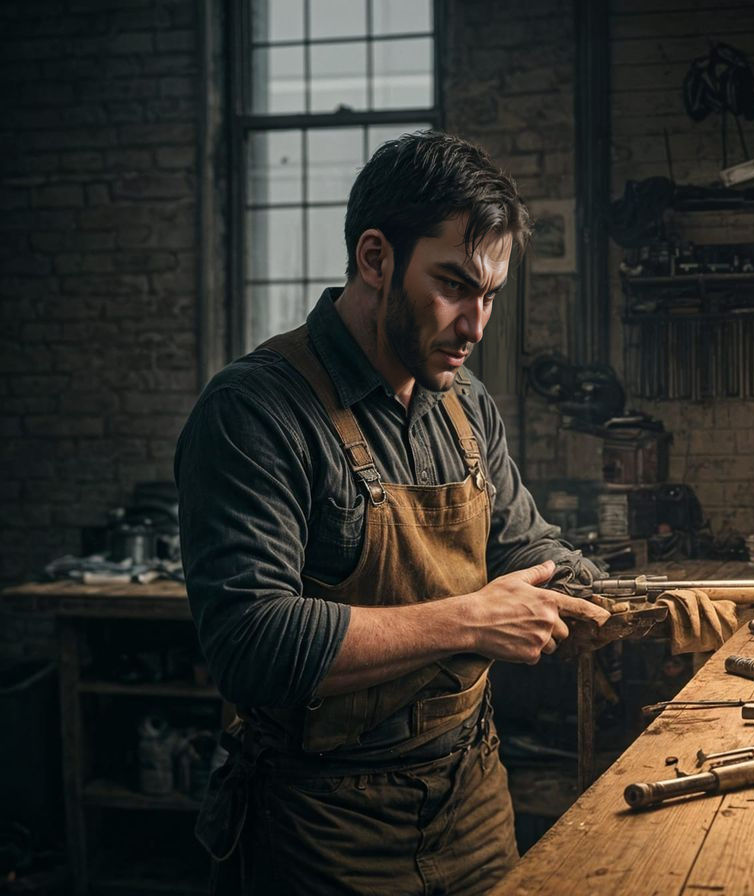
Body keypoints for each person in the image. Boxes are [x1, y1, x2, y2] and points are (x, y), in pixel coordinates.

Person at [175, 130, 610, 896]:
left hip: (471, 796)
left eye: (490, 295)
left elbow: (524, 550)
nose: (475, 327)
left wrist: (638, 606)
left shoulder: (463, 401)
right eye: (452, 284)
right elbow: (249, 640)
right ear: (375, 258)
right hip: (323, 824)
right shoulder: (254, 411)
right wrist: (471, 620)